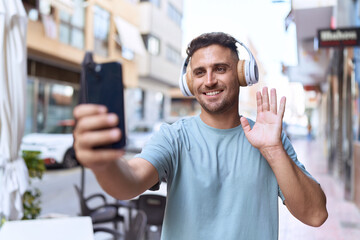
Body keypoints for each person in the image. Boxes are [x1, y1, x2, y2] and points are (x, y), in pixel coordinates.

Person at [73, 32, 328, 239]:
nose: (209, 81)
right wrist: (104, 163)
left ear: (242, 74)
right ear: (189, 83)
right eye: (199, 72)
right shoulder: (174, 137)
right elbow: (129, 182)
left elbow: (316, 215)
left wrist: (273, 151)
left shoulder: (271, 139)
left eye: (220, 69)